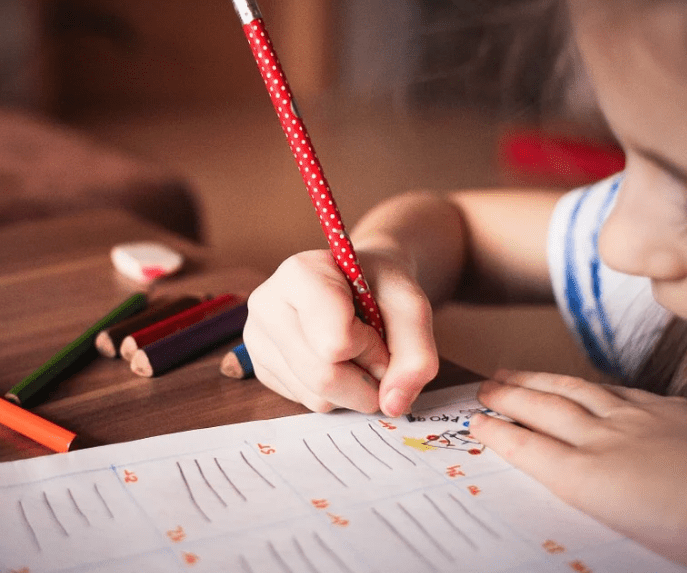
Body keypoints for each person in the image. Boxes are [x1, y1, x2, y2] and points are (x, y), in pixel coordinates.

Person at [242, 0, 687, 565]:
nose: (614, 243)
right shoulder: (646, 262)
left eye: (682, 187)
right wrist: (385, 260)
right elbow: (459, 228)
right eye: (627, 162)